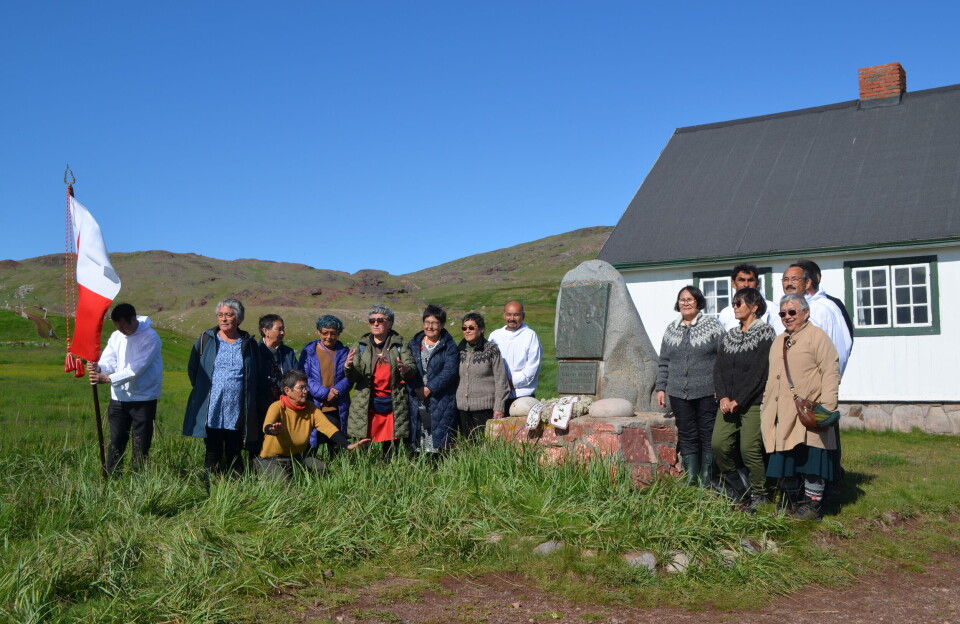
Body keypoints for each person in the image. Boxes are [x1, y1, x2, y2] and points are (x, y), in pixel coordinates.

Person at [761, 294, 841, 520]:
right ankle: (792, 500)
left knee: (812, 457)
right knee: (787, 456)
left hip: (808, 410)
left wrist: (828, 406)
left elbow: (830, 371)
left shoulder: (817, 336)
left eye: (792, 312)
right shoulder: (778, 341)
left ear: (806, 313)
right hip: (782, 411)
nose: (787, 317)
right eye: (783, 313)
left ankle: (812, 506)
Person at [711, 288, 777, 509]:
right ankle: (738, 485)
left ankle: (760, 493)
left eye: (739, 303)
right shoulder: (730, 334)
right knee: (719, 445)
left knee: (749, 449)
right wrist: (723, 396)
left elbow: (760, 371)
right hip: (727, 402)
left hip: (753, 402)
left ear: (754, 306)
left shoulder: (766, 333)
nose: (735, 306)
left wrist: (739, 399)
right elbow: (718, 368)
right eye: (734, 303)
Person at [182, 298, 261, 477]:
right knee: (212, 451)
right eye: (220, 315)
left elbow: (256, 373)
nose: (224, 319)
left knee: (235, 450)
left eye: (229, 315)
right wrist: (203, 389)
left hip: (237, 408)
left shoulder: (248, 343)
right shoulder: (206, 339)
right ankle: (209, 487)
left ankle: (235, 489)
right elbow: (193, 369)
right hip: (213, 406)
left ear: (239, 319)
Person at [655, 285, 725, 486]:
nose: (685, 303)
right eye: (682, 299)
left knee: (707, 433)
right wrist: (661, 388)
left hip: (707, 392)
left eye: (690, 299)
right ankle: (692, 477)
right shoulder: (671, 329)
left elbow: (723, 358)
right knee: (686, 433)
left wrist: (721, 388)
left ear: (699, 302)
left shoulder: (713, 326)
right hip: (678, 392)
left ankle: (707, 477)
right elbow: (664, 361)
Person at [88, 303, 163, 474]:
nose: (121, 330)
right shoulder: (116, 336)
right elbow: (109, 360)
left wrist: (107, 378)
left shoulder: (150, 337)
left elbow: (136, 369)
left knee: (140, 443)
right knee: (116, 439)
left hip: (143, 398)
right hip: (119, 398)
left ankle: (138, 479)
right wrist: (99, 368)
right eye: (117, 326)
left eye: (124, 325)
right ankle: (112, 476)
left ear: (133, 319)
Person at [257, 370, 369, 479]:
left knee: (322, 470)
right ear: (287, 390)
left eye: (306, 387)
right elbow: (266, 426)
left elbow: (328, 428)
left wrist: (348, 445)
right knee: (283, 485)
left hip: (297, 457)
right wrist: (273, 430)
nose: (305, 391)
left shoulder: (310, 408)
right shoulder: (277, 406)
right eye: (301, 388)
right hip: (272, 459)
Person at [344, 305, 418, 455]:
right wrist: (348, 366)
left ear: (390, 323)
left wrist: (406, 370)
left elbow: (411, 369)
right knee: (364, 445)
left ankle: (389, 471)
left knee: (391, 448)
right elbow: (354, 377)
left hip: (393, 404)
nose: (375, 323)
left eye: (380, 320)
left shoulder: (400, 345)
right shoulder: (361, 346)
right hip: (367, 404)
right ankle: (367, 473)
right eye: (372, 321)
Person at [407, 304, 460, 454]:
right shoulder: (413, 344)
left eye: (435, 323)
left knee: (438, 444)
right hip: (417, 397)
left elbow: (449, 371)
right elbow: (408, 367)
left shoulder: (449, 346)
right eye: (427, 322)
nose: (430, 326)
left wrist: (429, 388)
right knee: (417, 441)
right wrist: (417, 388)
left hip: (440, 399)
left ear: (442, 325)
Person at [781, 264, 852, 376]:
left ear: (807, 283)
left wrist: (831, 383)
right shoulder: (780, 312)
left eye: (795, 279)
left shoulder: (823, 309)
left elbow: (840, 350)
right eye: (786, 279)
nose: (789, 283)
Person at [456, 312, 510, 439]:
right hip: (462, 409)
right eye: (464, 328)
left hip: (484, 409)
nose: (467, 331)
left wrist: (499, 407)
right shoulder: (458, 350)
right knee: (467, 446)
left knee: (485, 446)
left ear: (481, 329)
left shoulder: (491, 350)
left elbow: (501, 379)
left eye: (471, 328)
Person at [299, 315, 352, 442]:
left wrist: (336, 391)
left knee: (335, 442)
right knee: (312, 442)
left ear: (338, 334)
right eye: (325, 332)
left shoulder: (345, 352)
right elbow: (303, 377)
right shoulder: (309, 352)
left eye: (333, 333)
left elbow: (350, 377)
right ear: (318, 332)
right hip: (314, 404)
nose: (328, 336)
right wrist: (325, 393)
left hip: (336, 406)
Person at [254, 314, 299, 461]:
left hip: (285, 407)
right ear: (265, 331)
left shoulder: (288, 352)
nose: (282, 332)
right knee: (259, 444)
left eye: (283, 329)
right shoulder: (255, 352)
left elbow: (296, 377)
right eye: (279, 329)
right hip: (260, 407)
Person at [488, 301, 541, 414]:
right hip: (498, 396)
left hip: (522, 395)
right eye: (509, 314)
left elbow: (532, 369)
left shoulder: (530, 336)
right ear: (504, 315)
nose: (512, 318)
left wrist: (509, 384)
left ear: (523, 316)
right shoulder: (494, 336)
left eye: (516, 314)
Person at [716, 264, 784, 334]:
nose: (746, 284)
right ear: (733, 283)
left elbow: (779, 338)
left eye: (750, 280)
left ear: (757, 283)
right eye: (741, 280)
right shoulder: (725, 313)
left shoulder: (772, 309)